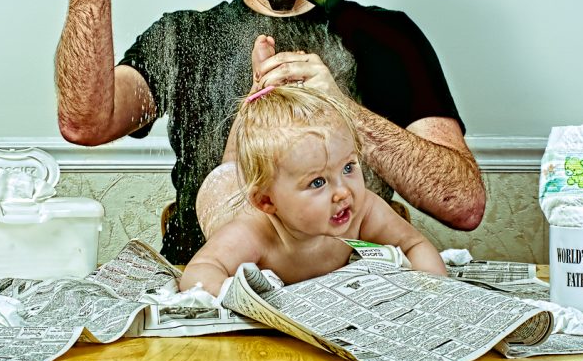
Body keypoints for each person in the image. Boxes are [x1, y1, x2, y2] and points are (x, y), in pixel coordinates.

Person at [6, 0, 486, 265]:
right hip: (216, 292)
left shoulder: (387, 39)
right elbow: (85, 123)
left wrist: (344, 110)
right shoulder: (184, 38)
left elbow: (464, 204)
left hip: (347, 289)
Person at [180, 84, 447, 296]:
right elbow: (199, 273)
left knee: (258, 166)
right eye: (318, 182)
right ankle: (257, 87)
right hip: (223, 193)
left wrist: (432, 291)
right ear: (266, 202)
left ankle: (263, 87)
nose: (343, 192)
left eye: (349, 167)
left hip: (261, 187)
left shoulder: (362, 209)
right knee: (233, 165)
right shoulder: (251, 232)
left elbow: (415, 245)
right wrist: (233, 295)